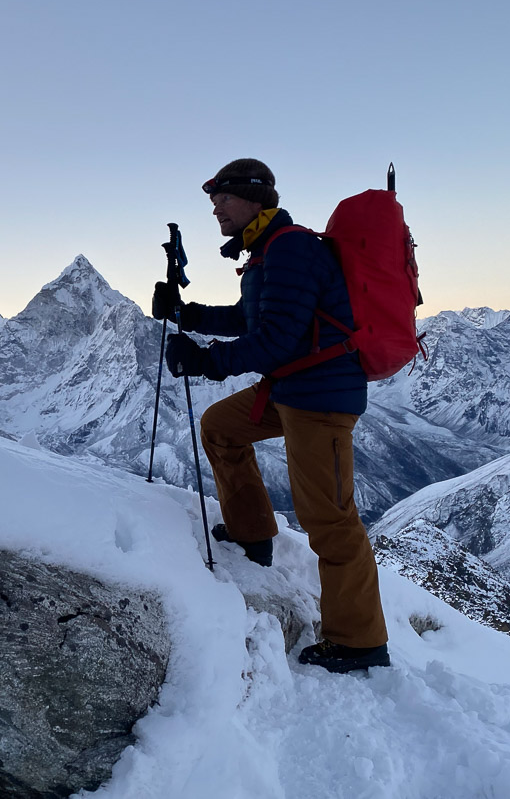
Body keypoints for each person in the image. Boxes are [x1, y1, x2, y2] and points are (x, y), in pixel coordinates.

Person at [150, 158, 389, 674]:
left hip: (320, 398)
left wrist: (205, 360)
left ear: (254, 200)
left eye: (223, 198)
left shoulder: (291, 249)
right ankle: (252, 531)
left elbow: (275, 341)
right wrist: (187, 315)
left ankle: (359, 639)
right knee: (219, 428)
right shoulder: (267, 252)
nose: (216, 208)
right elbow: (250, 319)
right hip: (293, 387)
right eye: (213, 200)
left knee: (330, 520)